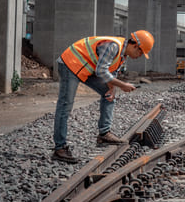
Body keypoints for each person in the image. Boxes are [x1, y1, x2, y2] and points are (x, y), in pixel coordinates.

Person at [51, 30, 155, 163]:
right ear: (135, 46)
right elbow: (101, 71)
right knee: (65, 105)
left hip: (87, 67)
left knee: (109, 95)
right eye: (140, 52)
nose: (139, 56)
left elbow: (111, 72)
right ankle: (60, 148)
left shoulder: (123, 55)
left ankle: (104, 134)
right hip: (71, 63)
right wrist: (122, 85)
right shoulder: (113, 46)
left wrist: (112, 88)